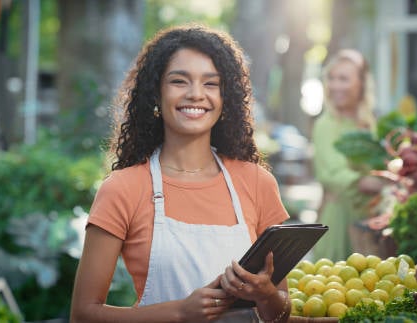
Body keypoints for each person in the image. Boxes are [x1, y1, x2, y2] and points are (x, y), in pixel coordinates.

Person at [70, 24, 291, 323]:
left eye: (211, 84)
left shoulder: (257, 182)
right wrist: (179, 312)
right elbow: (83, 315)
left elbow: (281, 313)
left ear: (226, 98)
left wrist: (266, 295)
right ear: (156, 94)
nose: (196, 94)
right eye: (179, 81)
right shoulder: (123, 189)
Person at [311, 49, 385, 262]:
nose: (335, 86)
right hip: (339, 219)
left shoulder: (369, 122)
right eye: (332, 79)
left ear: (361, 83)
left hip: (369, 218)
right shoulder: (326, 124)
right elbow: (332, 174)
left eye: (343, 79)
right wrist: (381, 185)